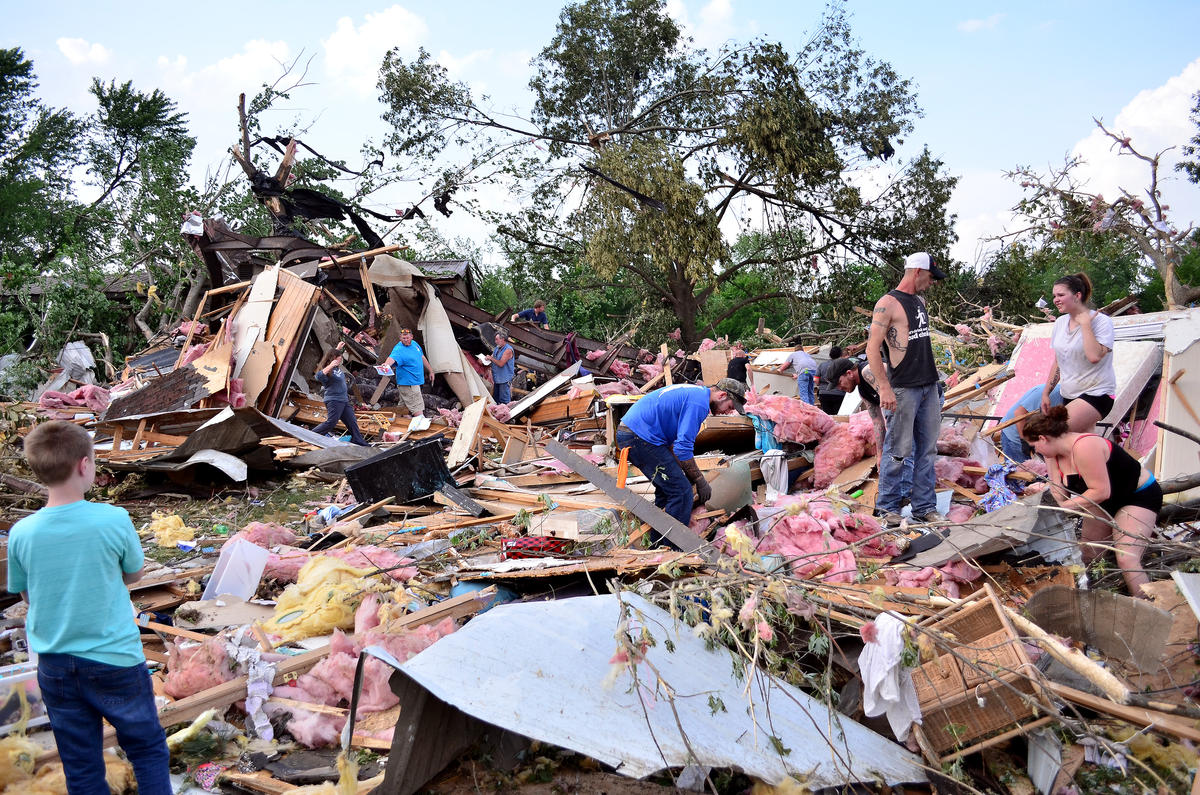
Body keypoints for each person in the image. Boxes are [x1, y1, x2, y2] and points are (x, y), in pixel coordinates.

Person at [6, 421, 171, 793]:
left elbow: (27, 597)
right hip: (115, 660)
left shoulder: (21, 533)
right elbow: (133, 574)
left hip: (56, 665)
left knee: (81, 765)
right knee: (146, 748)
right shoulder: (112, 519)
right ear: (84, 465)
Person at [1022, 405, 1162, 596]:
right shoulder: (1053, 456)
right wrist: (1042, 499)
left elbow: (1101, 491)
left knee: (1126, 559)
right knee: (1087, 553)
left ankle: (1147, 605)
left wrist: (1065, 507)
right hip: (1101, 503)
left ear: (1043, 438)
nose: (1035, 450)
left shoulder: (1085, 446)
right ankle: (1094, 595)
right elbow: (1058, 492)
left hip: (1136, 496)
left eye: (1034, 446)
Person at [867, 251, 946, 525]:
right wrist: (884, 388)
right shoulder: (887, 303)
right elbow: (872, 348)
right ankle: (888, 508)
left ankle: (925, 507)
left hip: (928, 385)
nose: (932, 281)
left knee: (927, 450)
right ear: (917, 272)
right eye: (930, 276)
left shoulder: (919, 302)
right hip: (903, 389)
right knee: (898, 450)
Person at [615, 381, 742, 534]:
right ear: (722, 395)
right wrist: (700, 481)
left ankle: (659, 545)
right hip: (638, 436)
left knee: (668, 490)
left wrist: (687, 475)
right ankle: (673, 547)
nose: (728, 412)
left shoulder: (697, 393)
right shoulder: (699, 404)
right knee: (681, 492)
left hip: (635, 433)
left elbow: (674, 447)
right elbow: (683, 449)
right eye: (730, 407)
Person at [1042, 273, 1116, 433]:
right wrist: (1046, 393)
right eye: (1054, 295)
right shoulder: (1060, 323)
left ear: (1077, 296)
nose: (1055, 300)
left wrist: (1085, 325)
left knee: (1052, 435)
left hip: (1097, 393)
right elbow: (1058, 362)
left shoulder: (1101, 321)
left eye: (1061, 295)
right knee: (1079, 448)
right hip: (1069, 395)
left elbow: (1094, 356)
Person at [313, 343, 370, 445]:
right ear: (334, 359)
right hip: (334, 400)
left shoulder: (336, 368)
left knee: (352, 421)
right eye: (340, 358)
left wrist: (338, 349)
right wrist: (331, 365)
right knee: (331, 422)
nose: (341, 359)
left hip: (343, 400)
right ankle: (310, 435)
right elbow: (318, 376)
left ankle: (358, 440)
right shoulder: (329, 370)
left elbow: (330, 355)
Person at [994, 384, 1062, 463]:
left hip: (1031, 434)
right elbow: (1019, 413)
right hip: (1014, 436)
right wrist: (1025, 441)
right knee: (1020, 471)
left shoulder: (1065, 398)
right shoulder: (1048, 393)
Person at [381, 327, 434, 417]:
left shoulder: (415, 344)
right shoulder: (399, 349)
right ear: (400, 338)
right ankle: (421, 424)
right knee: (417, 408)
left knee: (402, 408)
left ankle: (396, 423)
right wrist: (386, 365)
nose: (405, 340)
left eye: (407, 338)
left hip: (415, 382)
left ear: (412, 337)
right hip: (409, 383)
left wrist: (431, 370)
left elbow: (422, 356)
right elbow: (391, 358)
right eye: (403, 338)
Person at [486, 329, 516, 404]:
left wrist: (491, 358)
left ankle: (507, 415)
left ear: (503, 339)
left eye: (497, 339)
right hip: (497, 378)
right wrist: (486, 359)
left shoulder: (508, 350)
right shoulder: (497, 348)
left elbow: (501, 363)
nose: (495, 341)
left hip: (504, 379)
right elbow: (492, 356)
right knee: (496, 399)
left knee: (504, 401)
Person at [816, 346, 845, 414]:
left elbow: (816, 380)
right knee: (838, 415)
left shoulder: (822, 365)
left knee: (827, 416)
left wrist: (820, 384)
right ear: (840, 354)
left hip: (824, 393)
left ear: (830, 355)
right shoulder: (844, 365)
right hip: (839, 393)